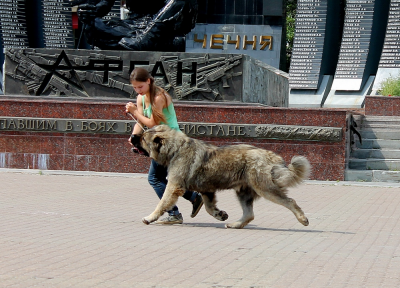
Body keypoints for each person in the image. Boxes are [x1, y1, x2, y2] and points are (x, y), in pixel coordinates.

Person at [125, 67, 203, 224]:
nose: (138, 90)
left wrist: (134, 111)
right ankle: (194, 198)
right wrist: (134, 136)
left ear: (148, 81)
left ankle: (174, 214)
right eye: (134, 87)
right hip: (161, 142)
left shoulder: (159, 98)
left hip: (171, 142)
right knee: (162, 178)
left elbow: (153, 123)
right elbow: (141, 121)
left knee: (154, 178)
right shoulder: (141, 98)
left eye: (140, 86)